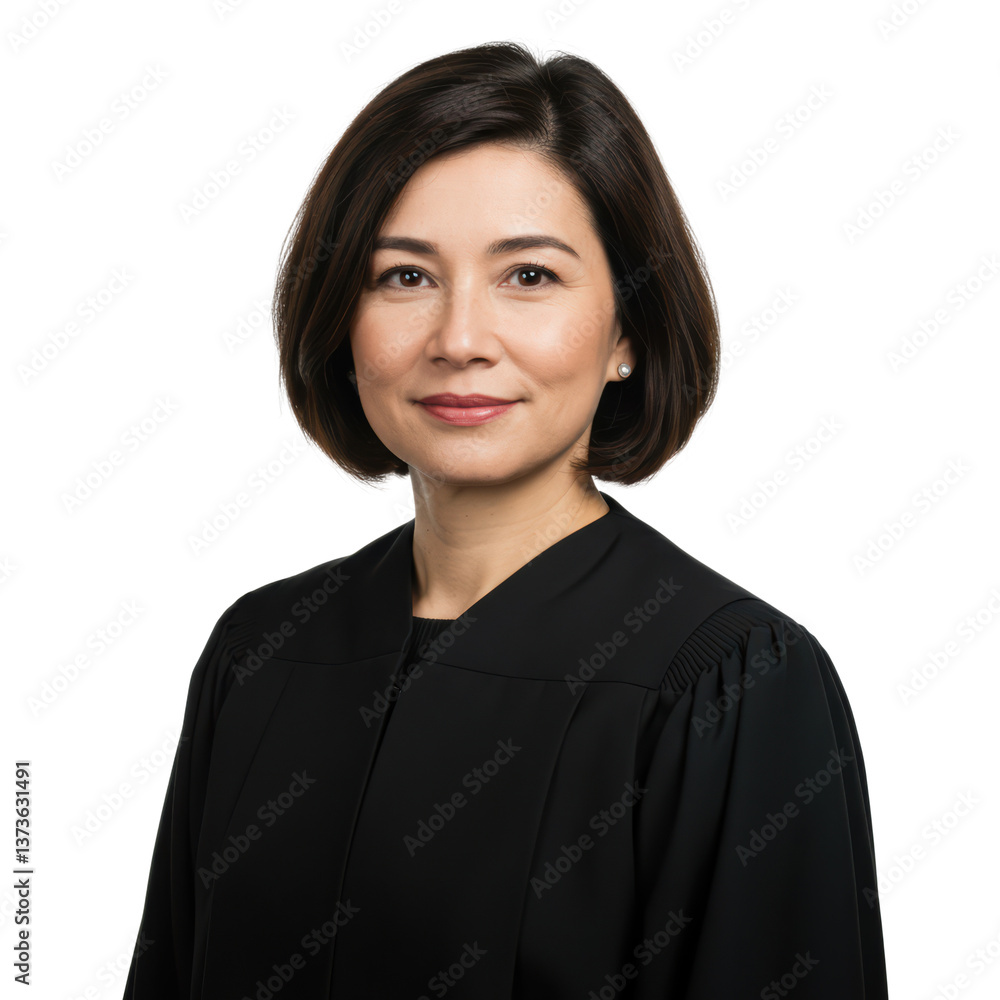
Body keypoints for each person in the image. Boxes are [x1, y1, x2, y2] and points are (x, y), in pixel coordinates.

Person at [124, 40, 889, 999]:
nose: (459, 340)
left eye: (529, 276)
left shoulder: (728, 685)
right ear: (341, 320)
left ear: (627, 331)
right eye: (404, 277)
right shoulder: (261, 654)